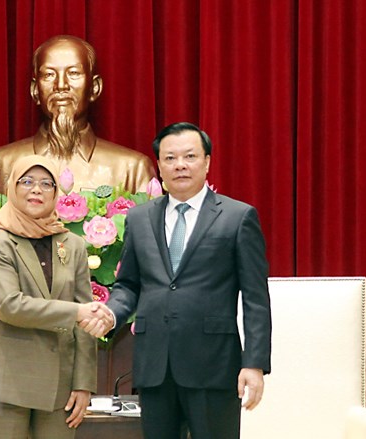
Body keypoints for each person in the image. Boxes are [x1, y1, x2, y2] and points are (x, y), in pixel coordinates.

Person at [84, 122, 272, 439]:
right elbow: (128, 285)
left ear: (207, 162)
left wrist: (253, 364)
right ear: (159, 166)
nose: (180, 165)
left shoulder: (237, 217)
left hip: (213, 365)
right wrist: (111, 313)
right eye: (170, 158)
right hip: (155, 366)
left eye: (189, 156)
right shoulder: (139, 218)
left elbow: (256, 298)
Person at [0, 155, 112, 439]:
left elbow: (85, 318)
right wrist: (76, 313)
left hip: (61, 389)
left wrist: (83, 383)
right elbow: (9, 306)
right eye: (27, 181)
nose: (37, 189)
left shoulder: (72, 244)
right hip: (5, 385)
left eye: (47, 183)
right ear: (12, 187)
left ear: (56, 192)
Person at [0, 35, 156, 194]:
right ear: (35, 90)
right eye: (49, 75)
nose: (61, 85)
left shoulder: (132, 169)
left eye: (74, 73)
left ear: (94, 88)